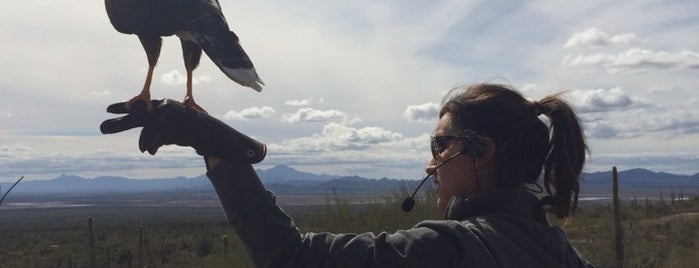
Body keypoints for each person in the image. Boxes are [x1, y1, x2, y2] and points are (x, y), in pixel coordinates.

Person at [101, 83, 595, 267]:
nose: (430, 163)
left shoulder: (449, 249)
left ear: (481, 151)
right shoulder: (566, 255)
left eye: (439, 145)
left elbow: (288, 256)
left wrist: (214, 145)